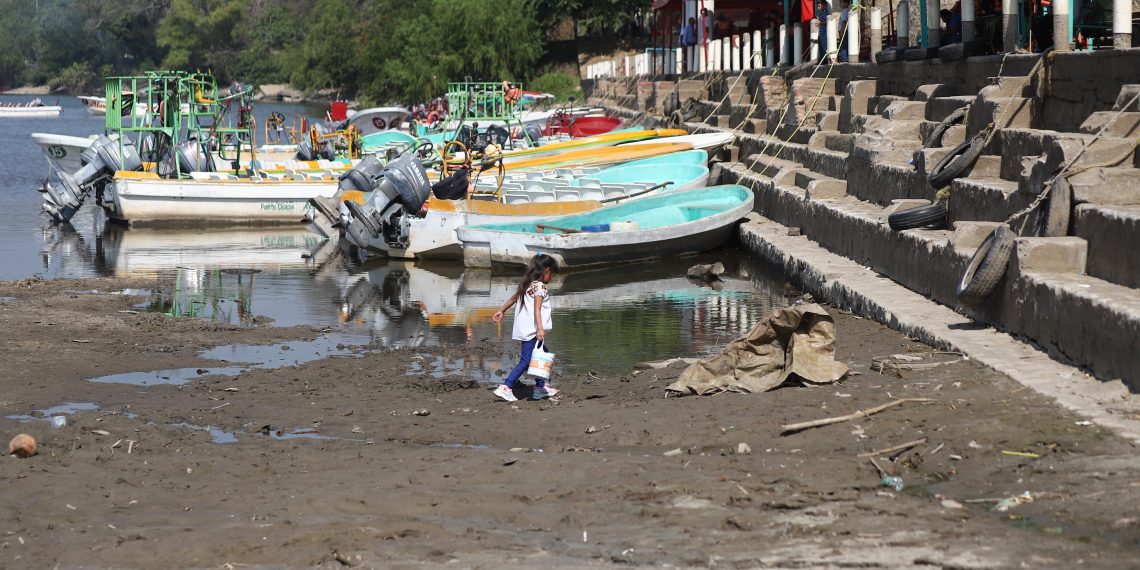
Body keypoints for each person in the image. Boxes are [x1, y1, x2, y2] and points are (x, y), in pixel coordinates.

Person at [492, 253, 560, 402]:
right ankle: (506, 386)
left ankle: (540, 387)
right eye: (552, 274)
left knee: (543, 355)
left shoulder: (528, 283)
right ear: (547, 270)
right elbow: (537, 309)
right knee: (526, 361)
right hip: (532, 330)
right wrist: (540, 329)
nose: (552, 278)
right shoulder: (540, 286)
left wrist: (501, 310)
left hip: (525, 329)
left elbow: (513, 298)